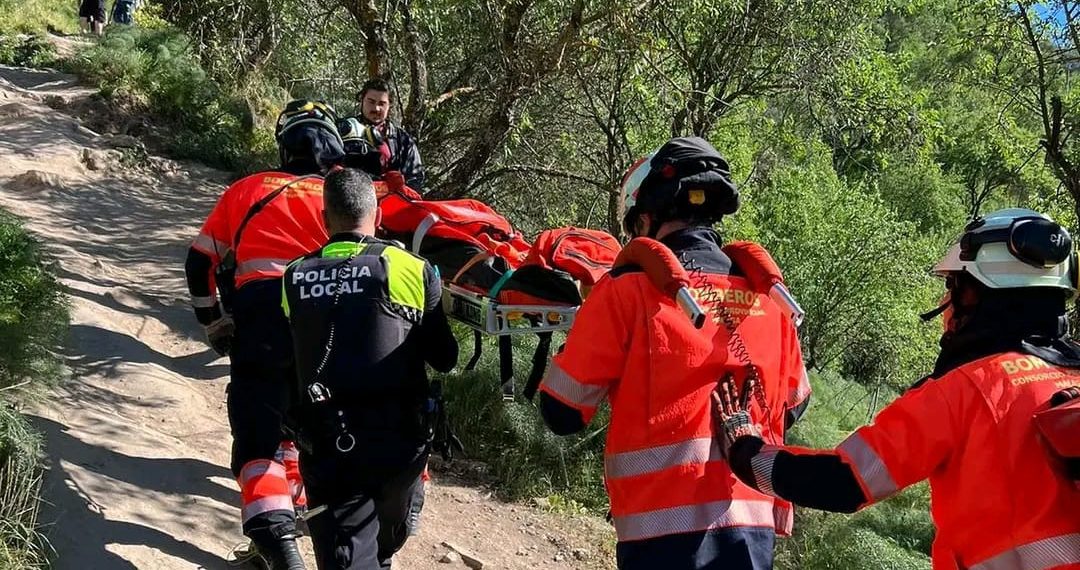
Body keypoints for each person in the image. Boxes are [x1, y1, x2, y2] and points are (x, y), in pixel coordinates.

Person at [714, 207, 1080, 570]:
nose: (943, 303)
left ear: (977, 295)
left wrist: (746, 451)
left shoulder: (961, 391)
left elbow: (843, 481)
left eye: (953, 286)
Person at [536, 136, 812, 570]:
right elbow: (794, 406)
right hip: (753, 540)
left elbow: (561, 413)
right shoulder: (770, 302)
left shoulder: (626, 291)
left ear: (647, 218)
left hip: (659, 540)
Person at [185, 99, 345, 569]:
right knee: (306, 430)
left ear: (284, 144)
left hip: (262, 325)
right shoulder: (344, 194)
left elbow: (200, 261)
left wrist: (212, 321)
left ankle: (278, 550)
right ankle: (297, 526)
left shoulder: (247, 189)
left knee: (259, 441)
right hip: (328, 328)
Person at [281, 167, 458, 570]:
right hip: (399, 444)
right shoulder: (411, 268)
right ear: (377, 217)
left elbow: (292, 355)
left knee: (346, 553)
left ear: (325, 220)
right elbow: (444, 357)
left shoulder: (294, 276)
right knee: (382, 543)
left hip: (328, 440)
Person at [337, 78, 425, 192]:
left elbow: (415, 177)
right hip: (348, 200)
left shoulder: (401, 139)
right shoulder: (343, 130)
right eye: (371, 102)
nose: (376, 108)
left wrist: (401, 187)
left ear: (389, 106)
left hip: (388, 203)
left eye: (382, 104)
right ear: (362, 100)